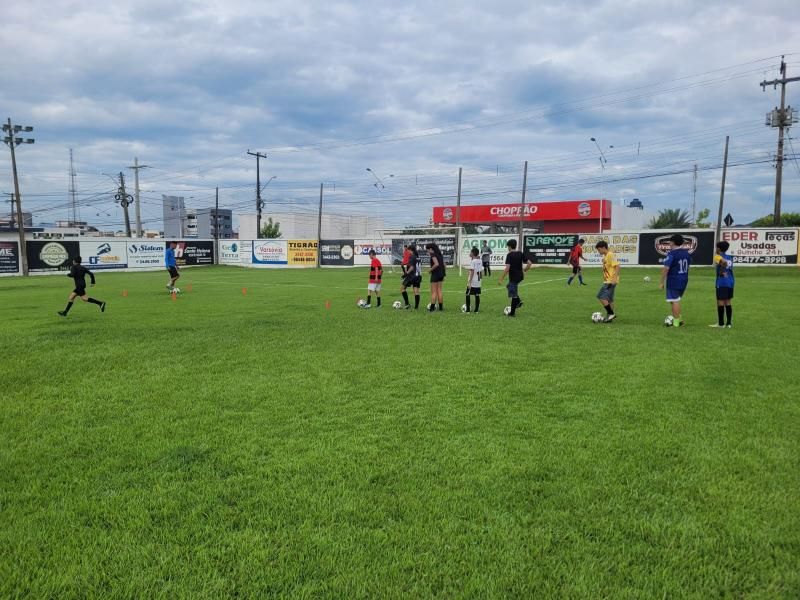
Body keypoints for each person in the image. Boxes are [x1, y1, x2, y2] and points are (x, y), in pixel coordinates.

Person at [659, 233, 691, 327]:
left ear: (672, 242)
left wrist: (661, 282)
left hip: (674, 280)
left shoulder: (672, 254)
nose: (669, 243)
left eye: (670, 241)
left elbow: (666, 268)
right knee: (674, 300)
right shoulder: (686, 253)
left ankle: (676, 323)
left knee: (674, 300)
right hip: (684, 279)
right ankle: (680, 320)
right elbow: (688, 266)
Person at [497, 239, 532, 316]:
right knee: (509, 286)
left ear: (509, 246)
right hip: (520, 276)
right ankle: (518, 301)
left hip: (514, 277)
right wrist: (525, 270)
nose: (507, 248)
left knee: (513, 294)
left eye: (508, 247)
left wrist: (501, 278)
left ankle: (512, 313)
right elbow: (529, 263)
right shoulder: (520, 253)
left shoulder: (509, 255)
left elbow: (507, 268)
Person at [710, 240, 734, 328]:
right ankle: (729, 323)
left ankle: (720, 324)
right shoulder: (729, 257)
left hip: (722, 282)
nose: (715, 249)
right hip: (730, 281)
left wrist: (722, 270)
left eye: (716, 247)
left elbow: (724, 262)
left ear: (719, 249)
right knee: (728, 301)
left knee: (720, 302)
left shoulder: (717, 256)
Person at [594, 240, 619, 322]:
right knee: (609, 300)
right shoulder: (605, 256)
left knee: (601, 296)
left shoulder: (610, 254)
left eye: (599, 249)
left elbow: (617, 266)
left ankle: (611, 314)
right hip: (608, 280)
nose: (598, 251)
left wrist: (614, 278)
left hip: (610, 281)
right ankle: (609, 317)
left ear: (604, 248)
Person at [400, 243, 422, 309]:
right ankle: (416, 307)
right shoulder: (418, 257)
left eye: (408, 250)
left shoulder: (412, 256)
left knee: (402, 289)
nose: (408, 251)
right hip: (418, 276)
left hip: (412, 276)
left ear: (410, 250)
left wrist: (406, 274)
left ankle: (407, 304)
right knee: (416, 291)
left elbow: (412, 267)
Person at [426, 242, 446, 311]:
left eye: (427, 250)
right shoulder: (439, 255)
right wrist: (444, 274)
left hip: (435, 274)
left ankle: (432, 308)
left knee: (434, 292)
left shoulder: (433, 255)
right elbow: (444, 265)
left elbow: (436, 264)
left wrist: (430, 270)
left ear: (431, 249)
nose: (427, 251)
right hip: (441, 274)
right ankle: (440, 308)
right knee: (439, 291)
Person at [464, 247, 482, 313]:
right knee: (477, 294)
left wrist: (469, 282)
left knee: (467, 294)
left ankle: (468, 311)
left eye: (470, 252)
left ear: (473, 253)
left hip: (473, 280)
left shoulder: (473, 261)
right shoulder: (480, 261)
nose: (470, 253)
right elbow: (480, 271)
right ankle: (476, 310)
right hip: (478, 280)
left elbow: (472, 271)